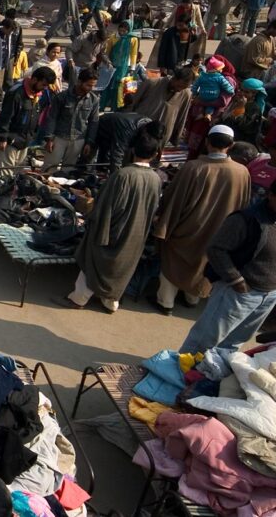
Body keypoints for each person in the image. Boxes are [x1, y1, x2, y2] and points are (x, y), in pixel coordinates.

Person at [57, 130, 162, 313]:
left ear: (133, 151)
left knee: (93, 261)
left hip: (112, 229)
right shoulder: (155, 178)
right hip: (136, 233)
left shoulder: (123, 175)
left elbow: (104, 206)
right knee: (121, 267)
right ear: (154, 155)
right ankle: (110, 302)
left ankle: (79, 299)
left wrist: (93, 224)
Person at [154, 124, 252, 314]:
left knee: (174, 261)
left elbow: (174, 200)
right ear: (230, 145)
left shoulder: (194, 167)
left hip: (188, 229)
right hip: (221, 232)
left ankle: (166, 302)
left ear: (207, 142)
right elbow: (244, 206)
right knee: (204, 265)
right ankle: (192, 297)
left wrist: (164, 224)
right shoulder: (242, 172)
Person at [179, 181, 276, 353]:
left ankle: (206, 375)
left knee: (234, 343)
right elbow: (216, 249)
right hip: (239, 292)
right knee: (204, 341)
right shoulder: (246, 219)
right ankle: (179, 374)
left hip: (269, 295)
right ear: (271, 196)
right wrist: (236, 280)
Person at [0, 66, 56, 179]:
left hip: (25, 141)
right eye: (43, 85)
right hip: (10, 141)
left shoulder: (37, 94)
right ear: (35, 79)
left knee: (17, 176)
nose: (44, 88)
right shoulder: (15, 93)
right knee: (5, 176)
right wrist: (2, 138)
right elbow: (6, 117)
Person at [42, 68, 99, 172]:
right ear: (80, 81)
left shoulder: (93, 100)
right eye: (88, 85)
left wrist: (89, 142)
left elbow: (94, 123)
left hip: (78, 140)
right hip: (59, 138)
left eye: (93, 85)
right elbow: (52, 118)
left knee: (67, 171)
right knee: (49, 169)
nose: (91, 88)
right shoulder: (62, 97)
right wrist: (49, 138)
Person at [129, 66, 194, 148]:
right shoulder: (151, 83)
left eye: (183, 88)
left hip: (161, 137)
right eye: (178, 86)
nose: (179, 90)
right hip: (140, 131)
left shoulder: (186, 94)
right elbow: (132, 105)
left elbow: (182, 117)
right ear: (174, 78)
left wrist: (176, 138)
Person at [99, 20, 139, 111]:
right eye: (120, 31)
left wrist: (132, 68)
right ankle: (102, 106)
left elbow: (134, 54)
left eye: (124, 31)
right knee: (107, 86)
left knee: (119, 87)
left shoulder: (133, 39)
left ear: (129, 30)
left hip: (124, 68)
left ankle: (116, 108)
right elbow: (107, 52)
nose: (122, 33)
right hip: (111, 66)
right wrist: (107, 62)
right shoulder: (113, 38)